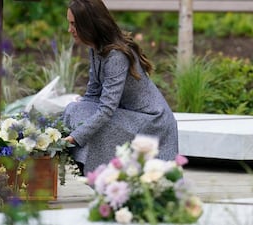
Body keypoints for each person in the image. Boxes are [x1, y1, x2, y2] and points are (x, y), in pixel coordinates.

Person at [63, 0, 178, 175]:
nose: (70, 29)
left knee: (85, 120)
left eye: (73, 24)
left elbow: (107, 109)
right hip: (128, 114)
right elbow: (92, 94)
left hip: (151, 122)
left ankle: (100, 176)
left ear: (89, 23)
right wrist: (69, 119)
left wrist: (76, 137)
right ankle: (95, 174)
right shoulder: (96, 49)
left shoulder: (116, 55)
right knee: (75, 109)